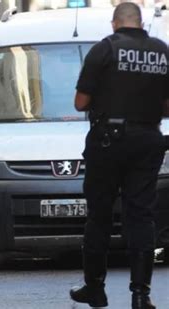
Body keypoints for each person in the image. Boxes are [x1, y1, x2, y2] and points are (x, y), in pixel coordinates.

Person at [69, 3, 169, 309]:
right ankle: (141, 294)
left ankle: (94, 288)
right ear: (141, 24)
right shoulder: (162, 52)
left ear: (115, 24)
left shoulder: (105, 50)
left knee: (99, 214)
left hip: (107, 142)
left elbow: (80, 102)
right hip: (149, 139)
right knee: (141, 215)